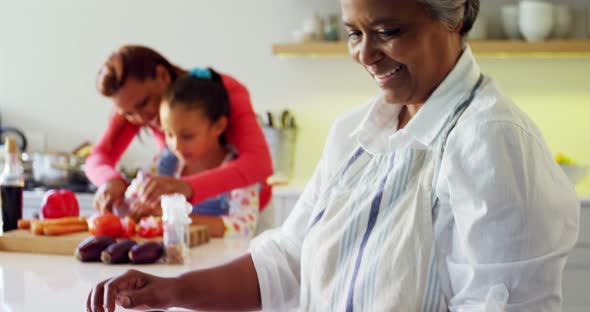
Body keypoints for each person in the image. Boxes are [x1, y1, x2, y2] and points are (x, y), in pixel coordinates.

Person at [87, 0, 580, 311]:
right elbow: (287, 261)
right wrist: (172, 291)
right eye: (354, 32)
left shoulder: (490, 140)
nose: (365, 54)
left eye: (388, 31)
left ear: (452, 15)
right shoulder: (355, 132)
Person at [86, 45, 273, 214]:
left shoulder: (222, 92)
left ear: (163, 75)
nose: (141, 119)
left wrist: (187, 187)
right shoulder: (133, 104)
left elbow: (259, 164)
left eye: (145, 103)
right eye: (128, 113)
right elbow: (96, 158)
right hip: (183, 215)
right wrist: (110, 180)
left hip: (243, 215)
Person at [125, 69, 259, 238]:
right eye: (169, 134)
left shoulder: (238, 173)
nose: (176, 145)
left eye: (187, 136)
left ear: (219, 126)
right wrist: (136, 208)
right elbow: (128, 202)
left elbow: (243, 227)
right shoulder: (164, 162)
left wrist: (171, 217)